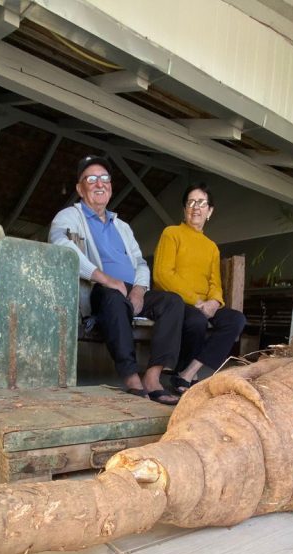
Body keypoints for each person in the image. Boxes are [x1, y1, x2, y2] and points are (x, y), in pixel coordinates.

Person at [49, 156, 184, 405]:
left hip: (130, 288)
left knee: (173, 302)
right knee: (113, 298)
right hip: (98, 288)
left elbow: (141, 263)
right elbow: (61, 246)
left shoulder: (121, 225)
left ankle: (153, 377)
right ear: (80, 188)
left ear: (110, 186)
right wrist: (105, 279)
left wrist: (140, 291)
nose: (99, 183)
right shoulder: (69, 216)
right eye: (91, 178)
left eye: (105, 178)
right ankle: (132, 378)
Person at [152, 182, 246, 393]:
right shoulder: (172, 233)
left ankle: (188, 372)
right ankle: (183, 374)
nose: (196, 207)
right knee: (196, 320)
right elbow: (162, 274)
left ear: (210, 211)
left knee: (236, 320)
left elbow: (215, 282)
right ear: (185, 209)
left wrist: (214, 302)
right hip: (177, 302)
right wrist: (196, 301)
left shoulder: (211, 247)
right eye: (191, 202)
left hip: (204, 304)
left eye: (202, 203)